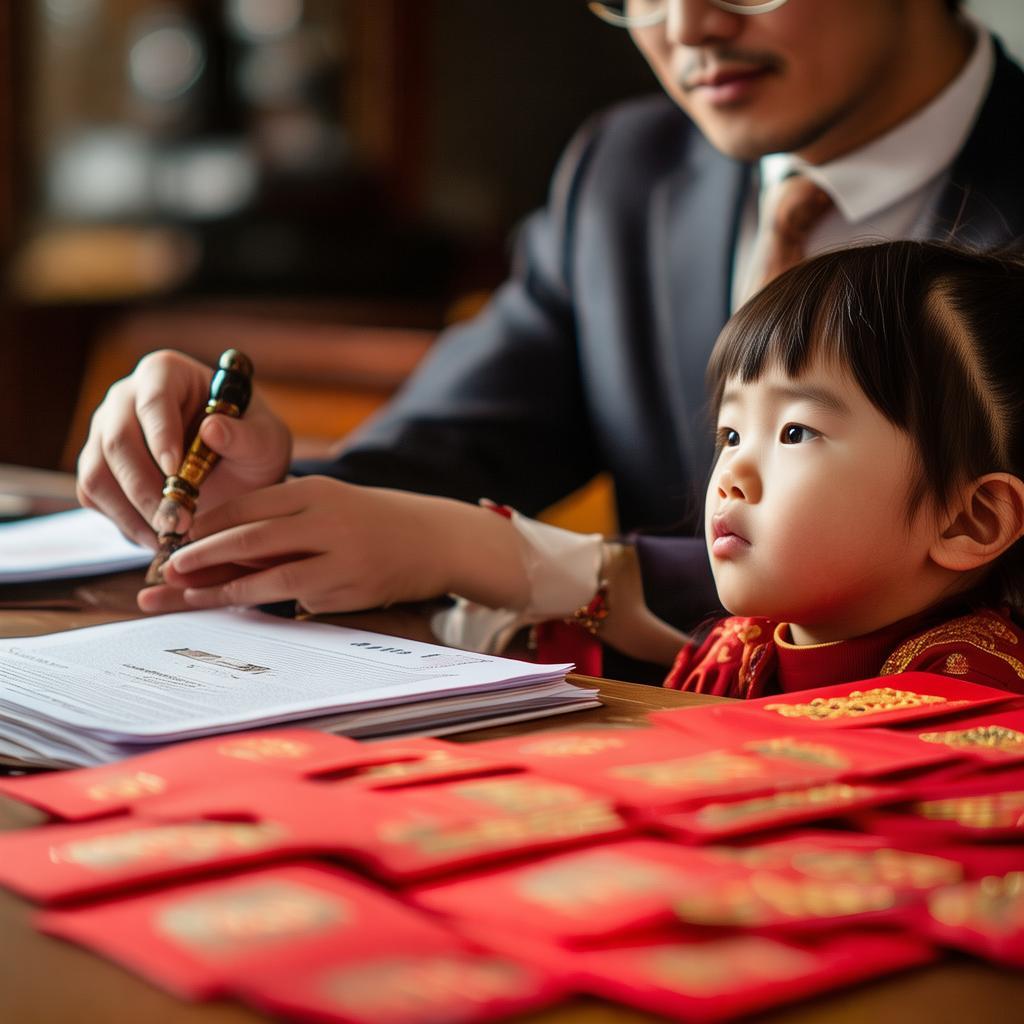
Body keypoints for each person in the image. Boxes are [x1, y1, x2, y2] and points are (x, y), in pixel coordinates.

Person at [77, 1, 1024, 662]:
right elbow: (445, 460)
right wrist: (256, 486)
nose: (686, 26)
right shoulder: (628, 172)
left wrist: (533, 565)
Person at [151, 241, 1024, 701]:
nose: (731, 476)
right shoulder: (736, 649)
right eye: (729, 434)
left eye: (794, 433)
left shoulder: (967, 691)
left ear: (970, 520)